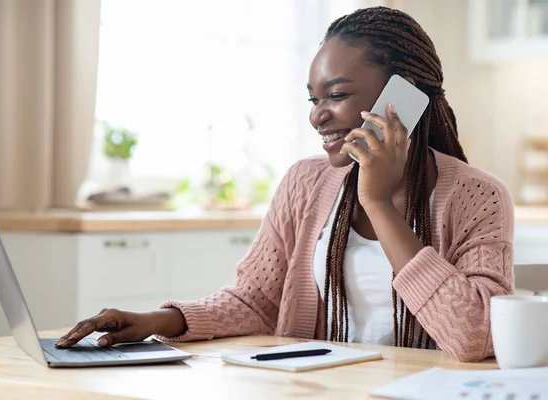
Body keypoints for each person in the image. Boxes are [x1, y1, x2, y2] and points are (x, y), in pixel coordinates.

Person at [57, 6, 514, 362]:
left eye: (336, 95)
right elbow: (256, 301)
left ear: (405, 97)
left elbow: (474, 335)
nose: (317, 115)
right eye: (313, 99)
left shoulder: (478, 196)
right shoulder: (305, 182)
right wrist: (158, 321)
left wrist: (376, 200)